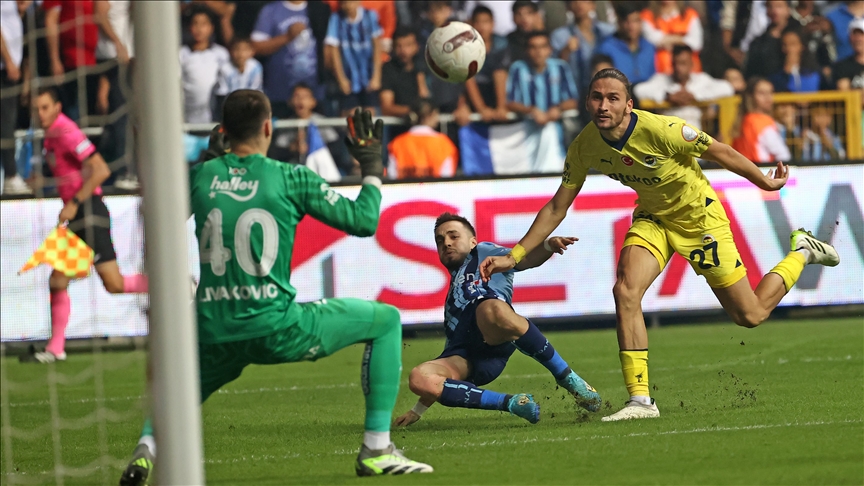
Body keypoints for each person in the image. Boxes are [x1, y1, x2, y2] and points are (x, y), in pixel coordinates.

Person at [479, 68, 840, 422]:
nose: (603, 106)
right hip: (653, 218)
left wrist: (764, 181)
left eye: (613, 98)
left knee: (750, 315)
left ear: (629, 105)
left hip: (699, 220)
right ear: (587, 102)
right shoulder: (584, 146)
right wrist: (516, 255)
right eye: (597, 98)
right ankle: (641, 400)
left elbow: (720, 151)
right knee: (625, 290)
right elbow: (558, 206)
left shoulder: (662, 130)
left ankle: (802, 252)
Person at [118, 95, 433, 485]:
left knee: (182, 389)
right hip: (276, 325)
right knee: (385, 320)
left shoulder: (201, 177)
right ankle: (376, 449)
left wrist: (208, 165)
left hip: (214, 326)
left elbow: (159, 224)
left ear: (223, 131)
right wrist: (370, 167)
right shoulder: (291, 177)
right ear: (268, 127)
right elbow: (364, 221)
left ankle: (146, 449)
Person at [393, 213, 601, 427]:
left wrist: (548, 246)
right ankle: (513, 403)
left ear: (472, 242)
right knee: (418, 378)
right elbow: (443, 375)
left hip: (493, 329)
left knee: (490, 309)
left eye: (453, 236)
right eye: (440, 240)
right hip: (468, 357)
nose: (446, 242)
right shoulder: (453, 295)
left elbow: (525, 259)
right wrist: (417, 410)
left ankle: (567, 377)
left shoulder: (484, 252)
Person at [19, 88, 149, 364]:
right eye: (36, 109)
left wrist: (75, 202)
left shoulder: (66, 131)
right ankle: (55, 348)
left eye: (45, 107)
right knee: (57, 279)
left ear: (57, 107)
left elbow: (100, 169)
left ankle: (173, 284)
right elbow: (71, 174)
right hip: (78, 215)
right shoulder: (50, 135)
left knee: (113, 283)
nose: (40, 113)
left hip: (89, 211)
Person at [250, 0, 325, 117]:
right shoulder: (270, 10)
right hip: (279, 92)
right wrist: (287, 37)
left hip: (314, 91)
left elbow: (329, 46)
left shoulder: (319, 8)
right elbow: (256, 47)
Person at [634, 45, 734, 131]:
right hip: (668, 137)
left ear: (691, 64)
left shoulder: (701, 80)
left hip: (695, 136)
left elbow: (727, 88)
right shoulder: (662, 80)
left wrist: (695, 95)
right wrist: (667, 96)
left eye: (683, 63)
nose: (678, 68)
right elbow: (639, 90)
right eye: (675, 63)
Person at [269, 83, 343, 181]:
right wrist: (292, 148)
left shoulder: (322, 123)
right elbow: (277, 153)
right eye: (297, 96)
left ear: (313, 102)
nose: (301, 100)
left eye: (305, 97)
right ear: (289, 101)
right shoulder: (286, 125)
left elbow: (336, 149)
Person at [506, 31, 578, 128]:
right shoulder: (518, 68)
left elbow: (573, 101)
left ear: (550, 49)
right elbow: (510, 103)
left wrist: (558, 109)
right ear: (526, 50)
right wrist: (531, 110)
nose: (538, 52)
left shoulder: (561, 67)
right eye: (533, 47)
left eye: (542, 47)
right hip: (524, 128)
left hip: (555, 127)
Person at [325, 0, 384, 114]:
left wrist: (376, 75)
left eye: (351, 2)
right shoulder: (336, 19)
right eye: (344, 3)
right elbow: (334, 51)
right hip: (349, 76)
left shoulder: (370, 16)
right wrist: (341, 79)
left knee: (370, 113)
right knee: (351, 114)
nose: (348, 6)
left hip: (367, 74)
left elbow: (377, 46)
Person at [551, 1, 615, 98]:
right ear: (568, 7)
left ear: (593, 5)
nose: (579, 4)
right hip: (574, 93)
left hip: (605, 90)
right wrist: (566, 51)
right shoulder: (560, 35)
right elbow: (553, 69)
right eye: (574, 1)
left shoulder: (608, 32)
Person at [179, 6, 230, 124]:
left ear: (211, 28)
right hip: (187, 118)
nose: (199, 29)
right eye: (195, 24)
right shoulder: (181, 53)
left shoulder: (221, 53)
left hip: (213, 117)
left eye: (203, 24)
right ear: (189, 27)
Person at [0, 0, 30, 195]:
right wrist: (9, 61)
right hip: (4, 69)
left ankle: (11, 175)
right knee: (6, 124)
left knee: (9, 124)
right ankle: (11, 176)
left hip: (10, 70)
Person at [386, 99, 457, 179]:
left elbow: (392, 176)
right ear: (432, 115)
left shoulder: (397, 143)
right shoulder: (444, 144)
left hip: (405, 186)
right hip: (434, 186)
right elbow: (447, 178)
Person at [464, 5, 512, 122]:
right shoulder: (464, 47)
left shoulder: (501, 44)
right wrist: (482, 109)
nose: (481, 27)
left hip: (497, 92)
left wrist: (501, 107)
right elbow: (468, 79)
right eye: (478, 22)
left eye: (485, 22)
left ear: (493, 24)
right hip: (473, 95)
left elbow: (500, 74)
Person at [732, 77, 792, 163]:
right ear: (751, 96)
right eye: (761, 93)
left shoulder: (741, 121)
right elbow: (783, 155)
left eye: (770, 92)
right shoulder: (763, 122)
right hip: (760, 168)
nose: (768, 97)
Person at [596, 3, 656, 85]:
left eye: (635, 21)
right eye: (626, 21)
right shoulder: (606, 48)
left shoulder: (649, 47)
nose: (631, 26)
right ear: (619, 22)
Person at [640, 0, 703, 75]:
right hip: (658, 73)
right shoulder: (647, 15)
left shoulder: (690, 15)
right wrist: (681, 39)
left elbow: (696, 44)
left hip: (691, 73)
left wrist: (667, 41)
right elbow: (652, 41)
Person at [744, 0, 800, 80]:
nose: (774, 11)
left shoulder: (800, 35)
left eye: (779, 6)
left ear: (788, 9)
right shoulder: (758, 42)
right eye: (770, 7)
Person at [379, 29, 428, 117]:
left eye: (408, 45)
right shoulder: (388, 70)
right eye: (399, 46)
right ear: (393, 47)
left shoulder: (426, 67)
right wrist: (413, 111)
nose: (403, 50)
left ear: (417, 46)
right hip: (399, 123)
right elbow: (386, 107)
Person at [770, 28, 822, 92]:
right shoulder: (775, 71)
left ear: (802, 46)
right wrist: (786, 73)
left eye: (793, 44)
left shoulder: (813, 70)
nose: (788, 48)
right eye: (784, 45)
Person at [833, 18, 864, 100]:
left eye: (861, 34)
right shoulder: (842, 66)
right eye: (854, 35)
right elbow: (845, 94)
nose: (858, 39)